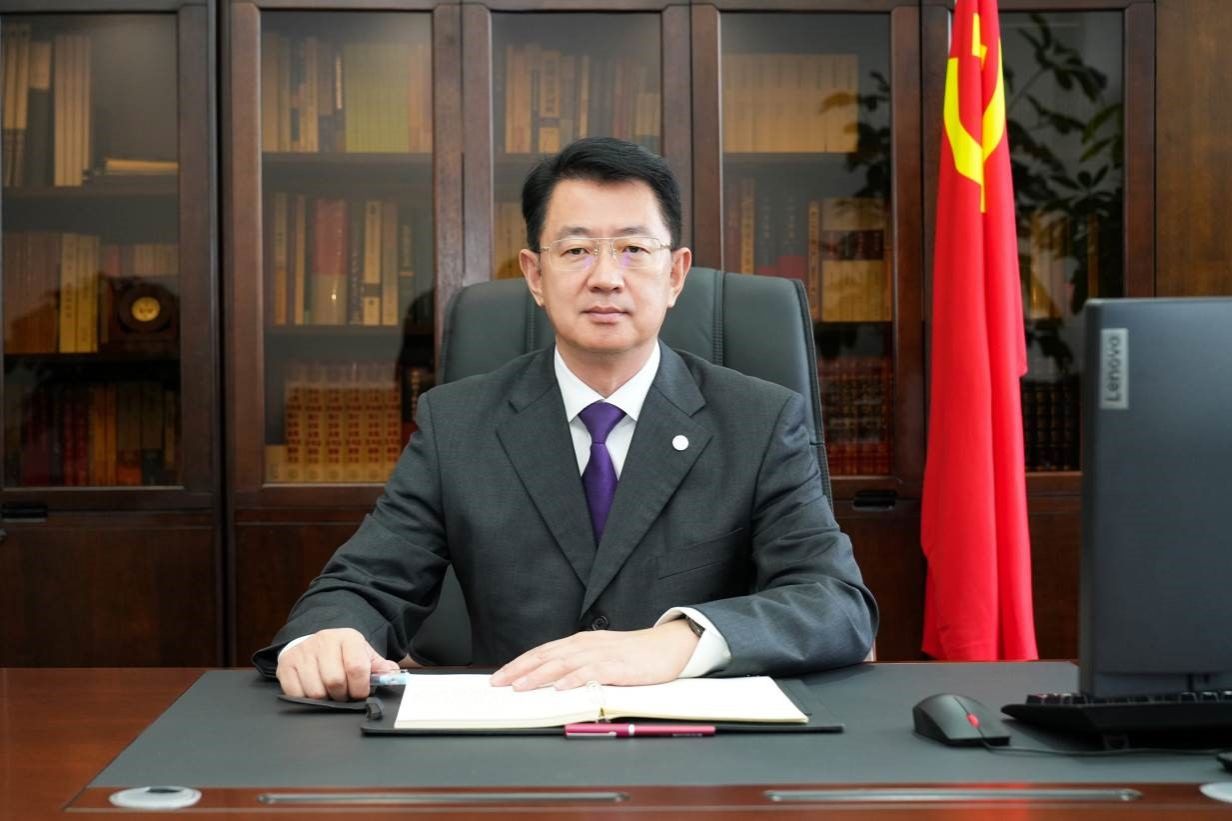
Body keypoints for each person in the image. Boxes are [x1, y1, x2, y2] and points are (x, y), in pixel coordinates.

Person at [256, 137, 878, 701]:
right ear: (534, 274)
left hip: (699, 750)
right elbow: (365, 583)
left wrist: (677, 641)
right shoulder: (457, 423)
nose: (606, 278)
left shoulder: (759, 421)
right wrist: (328, 636)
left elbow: (835, 604)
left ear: (675, 275)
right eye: (577, 250)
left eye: (633, 249)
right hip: (513, 747)